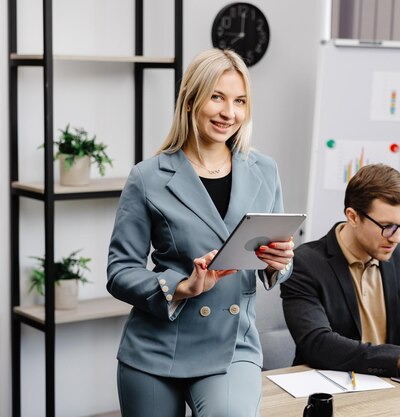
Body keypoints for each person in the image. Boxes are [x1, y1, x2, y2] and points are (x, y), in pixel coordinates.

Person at [107, 48, 294, 417]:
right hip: (156, 346)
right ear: (191, 101)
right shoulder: (148, 177)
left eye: (239, 101)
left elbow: (279, 256)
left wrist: (279, 263)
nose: (229, 113)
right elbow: (120, 272)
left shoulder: (264, 170)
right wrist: (181, 286)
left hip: (232, 347)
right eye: (217, 97)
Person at [281, 163, 400, 378]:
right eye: (387, 226)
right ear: (352, 217)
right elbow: (318, 343)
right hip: (330, 386)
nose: (396, 238)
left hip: (395, 386)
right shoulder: (305, 263)